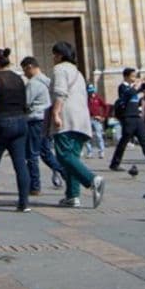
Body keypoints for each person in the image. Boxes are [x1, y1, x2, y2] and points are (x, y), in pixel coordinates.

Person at [49, 41, 105, 208]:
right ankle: (72, 196)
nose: (53, 58)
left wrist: (56, 113)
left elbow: (60, 92)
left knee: (63, 156)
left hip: (67, 118)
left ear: (60, 55)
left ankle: (92, 180)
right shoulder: (78, 73)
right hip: (82, 119)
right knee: (72, 156)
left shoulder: (59, 69)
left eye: (54, 54)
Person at [0, 49, 30, 211]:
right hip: (20, 122)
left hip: (1, 123)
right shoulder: (19, 79)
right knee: (20, 164)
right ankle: (24, 203)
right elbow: (25, 103)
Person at [20, 56, 64, 195]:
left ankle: (35, 186)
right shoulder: (47, 81)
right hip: (46, 119)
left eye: (25, 70)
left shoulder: (33, 83)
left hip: (35, 120)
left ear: (30, 67)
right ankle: (67, 173)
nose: (25, 74)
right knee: (46, 153)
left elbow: (26, 102)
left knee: (32, 154)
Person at [109, 68, 145, 172]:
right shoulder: (122, 87)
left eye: (135, 76)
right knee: (124, 141)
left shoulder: (133, 86)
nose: (134, 78)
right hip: (128, 117)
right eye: (132, 76)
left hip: (137, 117)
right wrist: (138, 84)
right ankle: (115, 164)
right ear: (126, 76)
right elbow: (129, 93)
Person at [85, 84, 108, 158]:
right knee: (87, 137)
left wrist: (103, 116)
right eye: (89, 92)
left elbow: (105, 106)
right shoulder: (86, 99)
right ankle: (89, 152)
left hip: (96, 119)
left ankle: (101, 152)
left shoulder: (98, 98)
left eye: (92, 91)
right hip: (88, 119)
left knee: (99, 136)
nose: (91, 93)